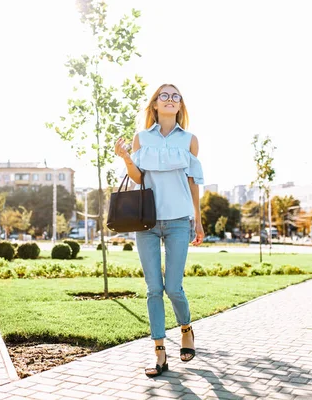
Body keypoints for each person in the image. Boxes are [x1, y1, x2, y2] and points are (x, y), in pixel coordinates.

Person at [114, 83, 205, 377]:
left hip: (179, 221)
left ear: (180, 106)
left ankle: (186, 329)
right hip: (147, 222)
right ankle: (160, 353)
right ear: (154, 104)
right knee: (153, 289)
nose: (169, 99)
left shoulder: (190, 140)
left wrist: (198, 220)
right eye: (163, 95)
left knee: (174, 287)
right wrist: (127, 157)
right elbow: (138, 177)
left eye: (175, 96)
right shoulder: (141, 138)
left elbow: (193, 183)